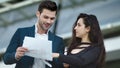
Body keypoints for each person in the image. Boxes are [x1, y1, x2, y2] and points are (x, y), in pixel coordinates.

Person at [3, 0, 65, 68]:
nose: (48, 21)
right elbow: (6, 59)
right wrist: (16, 55)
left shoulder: (58, 41)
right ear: (38, 14)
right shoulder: (21, 33)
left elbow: (60, 66)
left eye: (52, 18)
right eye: (46, 17)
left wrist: (52, 57)